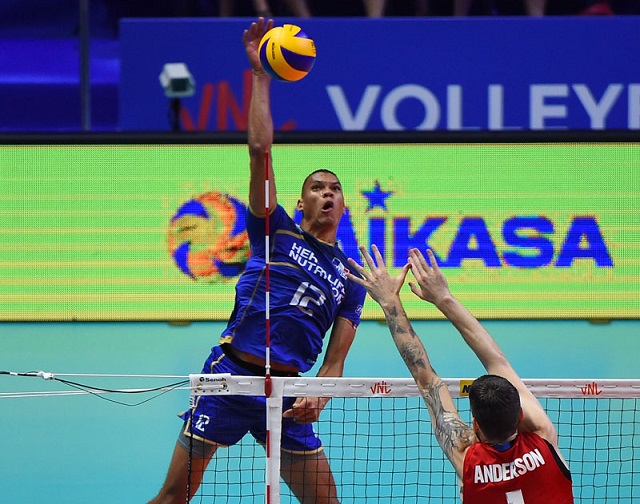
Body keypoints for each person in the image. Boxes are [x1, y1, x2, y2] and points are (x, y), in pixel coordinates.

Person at [148, 17, 366, 504]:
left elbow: (335, 362)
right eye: (317, 188)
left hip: (286, 396)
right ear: (301, 199)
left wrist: (320, 394)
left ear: (343, 206)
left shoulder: (351, 278)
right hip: (228, 377)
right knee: (172, 498)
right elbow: (259, 150)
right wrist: (262, 75)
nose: (327, 195)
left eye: (335, 190)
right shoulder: (274, 228)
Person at [346, 245, 574, 503]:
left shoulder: (467, 459)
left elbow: (426, 380)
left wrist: (389, 301)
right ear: (520, 415)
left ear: (475, 426)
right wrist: (445, 298)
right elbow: (495, 359)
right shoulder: (544, 439)